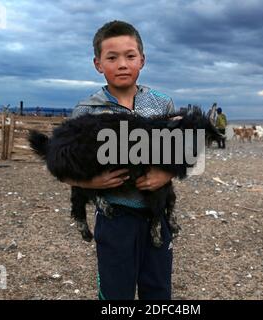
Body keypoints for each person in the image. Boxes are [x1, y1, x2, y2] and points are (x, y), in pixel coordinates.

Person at [65, 20, 175, 300]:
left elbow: (186, 153)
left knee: (158, 291)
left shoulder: (162, 104)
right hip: (114, 218)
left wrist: (167, 175)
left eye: (130, 56)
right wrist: (91, 181)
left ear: (142, 60)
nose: (122, 64)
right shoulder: (86, 111)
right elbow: (62, 165)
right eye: (112, 57)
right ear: (98, 64)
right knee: (116, 294)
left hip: (156, 216)